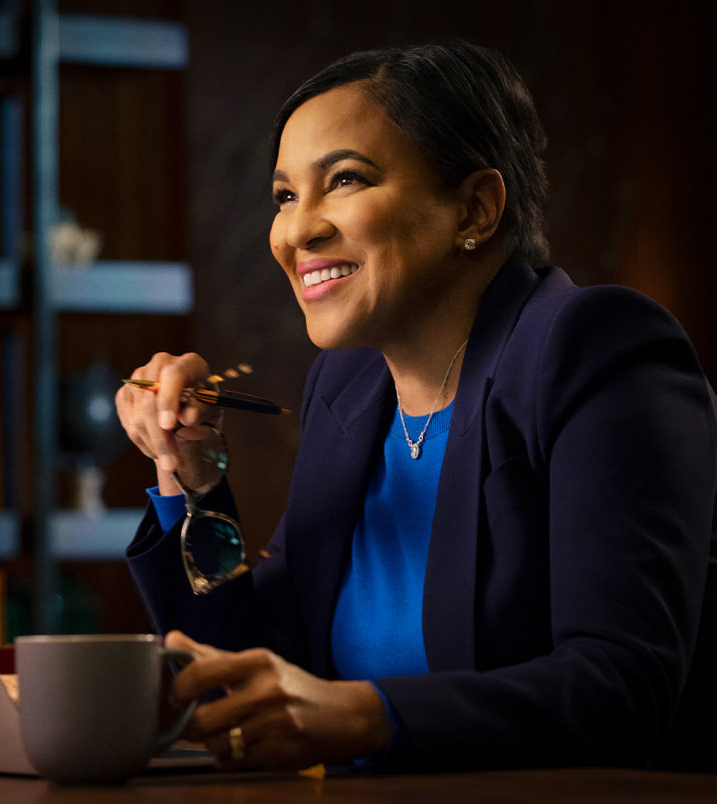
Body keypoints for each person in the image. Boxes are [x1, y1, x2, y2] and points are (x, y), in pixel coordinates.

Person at [115, 39, 717, 772]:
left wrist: (369, 715)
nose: (297, 230)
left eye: (343, 179)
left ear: (476, 207)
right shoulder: (347, 391)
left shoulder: (594, 349)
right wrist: (193, 478)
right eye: (283, 195)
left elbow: (624, 687)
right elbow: (245, 663)